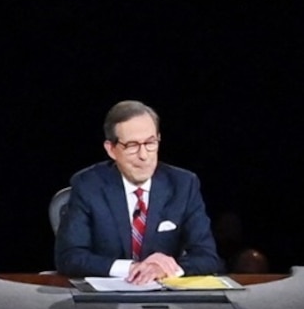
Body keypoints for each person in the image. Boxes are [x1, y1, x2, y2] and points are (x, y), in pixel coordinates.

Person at [55, 100, 220, 278]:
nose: (143, 156)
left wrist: (163, 268)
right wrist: (132, 268)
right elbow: (69, 258)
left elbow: (208, 257)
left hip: (164, 298)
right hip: (105, 299)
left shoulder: (183, 184)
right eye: (132, 146)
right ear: (111, 149)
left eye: (150, 143)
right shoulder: (88, 185)